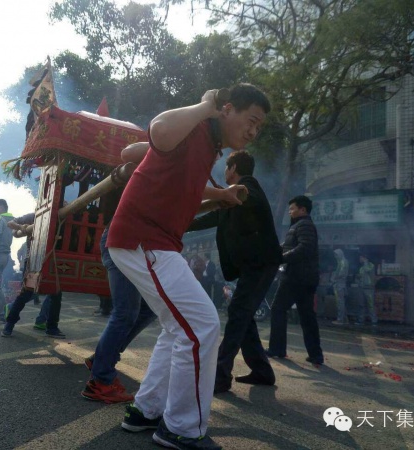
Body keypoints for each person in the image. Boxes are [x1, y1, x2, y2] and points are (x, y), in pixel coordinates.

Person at [107, 84, 269, 449]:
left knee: (177, 328)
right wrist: (203, 105)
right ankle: (181, 428)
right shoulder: (196, 126)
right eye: (252, 121)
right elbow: (159, 131)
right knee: (202, 325)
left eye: (259, 128)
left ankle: (146, 410)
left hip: (153, 242)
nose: (253, 132)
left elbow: (188, 185)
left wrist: (221, 195)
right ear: (227, 109)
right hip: (143, 239)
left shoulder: (208, 146)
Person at [189, 150, 282, 392]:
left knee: (239, 311)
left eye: (227, 166)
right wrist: (179, 223)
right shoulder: (231, 197)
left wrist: (234, 194)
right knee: (242, 312)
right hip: (253, 265)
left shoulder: (247, 186)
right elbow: (208, 218)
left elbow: (252, 199)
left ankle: (219, 376)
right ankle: (262, 371)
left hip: (262, 263)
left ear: (235, 168)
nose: (224, 170)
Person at [81, 156, 158, 403]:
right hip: (121, 240)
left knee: (148, 309)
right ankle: (101, 380)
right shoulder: (154, 166)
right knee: (125, 313)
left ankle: (101, 358)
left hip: (134, 245)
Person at [266, 196, 324, 365]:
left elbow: (304, 248)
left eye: (292, 209)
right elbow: (287, 246)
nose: (290, 212)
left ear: (303, 209)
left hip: (295, 277)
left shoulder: (304, 225)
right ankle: (315, 354)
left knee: (278, 309)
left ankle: (277, 348)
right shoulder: (299, 226)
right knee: (307, 316)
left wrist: (282, 258)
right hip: (304, 278)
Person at [2, 212, 65, 338]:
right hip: (33, 260)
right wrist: (23, 227)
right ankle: (9, 324)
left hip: (53, 260)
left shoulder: (63, 216)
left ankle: (51, 327)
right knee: (26, 293)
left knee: (56, 293)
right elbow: (10, 223)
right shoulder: (34, 216)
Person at [356, 254, 377, 326]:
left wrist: (365, 262)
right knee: (361, 304)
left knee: (371, 305)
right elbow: (360, 277)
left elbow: (368, 270)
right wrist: (358, 279)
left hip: (369, 288)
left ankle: (374, 321)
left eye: (360, 257)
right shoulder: (361, 268)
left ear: (364, 258)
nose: (359, 259)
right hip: (361, 288)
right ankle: (360, 320)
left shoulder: (371, 265)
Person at [331, 249, 350, 325]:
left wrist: (334, 278)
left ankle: (340, 320)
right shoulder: (342, 261)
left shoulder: (343, 262)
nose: (335, 256)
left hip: (340, 284)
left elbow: (341, 273)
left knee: (340, 302)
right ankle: (344, 319)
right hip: (341, 284)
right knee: (341, 302)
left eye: (336, 255)